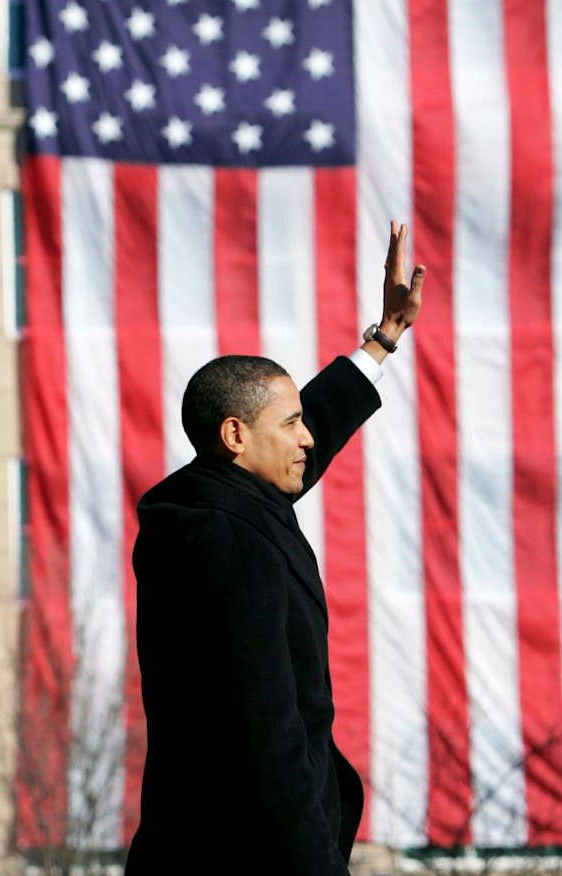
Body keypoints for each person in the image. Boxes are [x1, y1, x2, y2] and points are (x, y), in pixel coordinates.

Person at [124, 221, 425, 875]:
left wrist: (382, 340)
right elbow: (264, 734)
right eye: (290, 425)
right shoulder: (224, 542)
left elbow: (310, 427)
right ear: (236, 436)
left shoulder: (218, 504)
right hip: (246, 854)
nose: (307, 439)